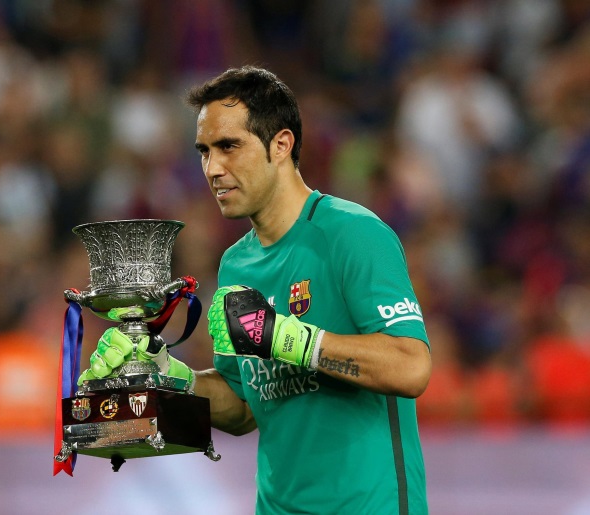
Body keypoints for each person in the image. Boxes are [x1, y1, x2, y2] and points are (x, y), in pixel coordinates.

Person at [79, 66, 432, 514]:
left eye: (229, 146)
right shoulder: (235, 264)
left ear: (281, 145)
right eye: (204, 151)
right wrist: (168, 374)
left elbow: (411, 368)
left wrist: (288, 339)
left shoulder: (354, 234)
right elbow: (244, 406)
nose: (213, 168)